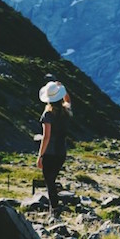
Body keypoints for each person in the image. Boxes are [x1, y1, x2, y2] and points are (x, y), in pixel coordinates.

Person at [37, 79, 72, 215]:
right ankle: (55, 207)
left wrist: (40, 156)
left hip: (50, 153)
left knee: (49, 181)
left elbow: (46, 137)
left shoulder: (48, 115)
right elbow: (68, 99)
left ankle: (55, 210)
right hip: (62, 152)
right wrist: (62, 88)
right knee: (52, 179)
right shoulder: (66, 111)